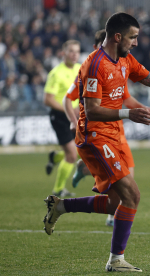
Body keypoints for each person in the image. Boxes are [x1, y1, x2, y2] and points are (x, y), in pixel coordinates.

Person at [43, 12, 150, 272]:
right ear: (117, 36)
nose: (136, 43)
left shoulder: (125, 59)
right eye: (133, 37)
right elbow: (93, 109)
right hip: (94, 136)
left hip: (113, 134)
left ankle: (60, 206)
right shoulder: (95, 64)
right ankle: (116, 260)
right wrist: (128, 113)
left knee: (114, 203)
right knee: (132, 195)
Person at [63, 29, 150, 227]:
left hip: (118, 132)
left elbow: (127, 98)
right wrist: (73, 120)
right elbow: (70, 99)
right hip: (99, 134)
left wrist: (142, 109)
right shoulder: (91, 68)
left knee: (127, 181)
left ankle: (82, 180)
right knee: (129, 187)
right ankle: (113, 225)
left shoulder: (120, 66)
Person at [43, 40, 81, 197]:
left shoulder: (80, 69)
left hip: (76, 115)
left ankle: (56, 156)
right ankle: (58, 190)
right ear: (63, 53)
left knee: (79, 150)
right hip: (59, 116)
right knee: (72, 155)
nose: (74, 54)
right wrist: (70, 109)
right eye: (71, 51)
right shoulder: (56, 73)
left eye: (77, 51)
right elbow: (48, 99)